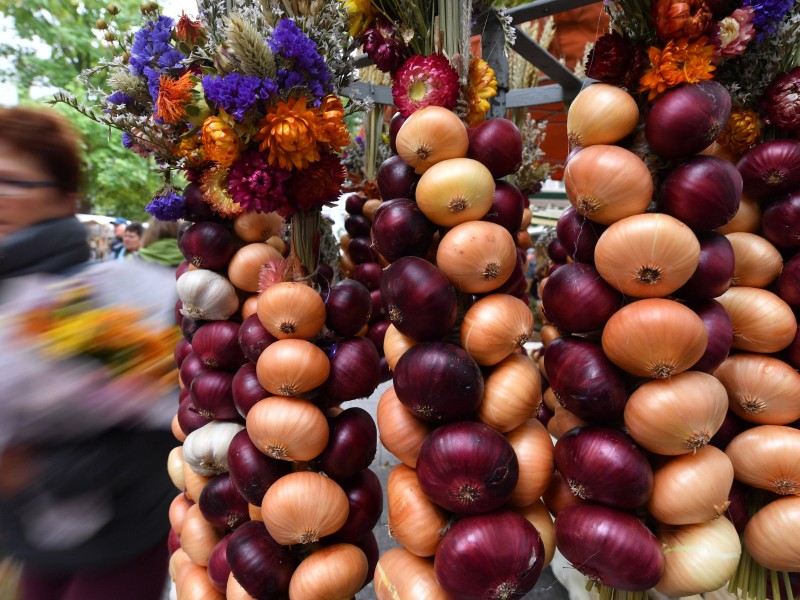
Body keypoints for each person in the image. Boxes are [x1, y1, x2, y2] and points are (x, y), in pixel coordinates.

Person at [0, 106, 174, 600]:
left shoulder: (124, 295)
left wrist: (33, 469)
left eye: (10, 182)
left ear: (64, 199)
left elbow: (158, 437)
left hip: (120, 538)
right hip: (30, 541)